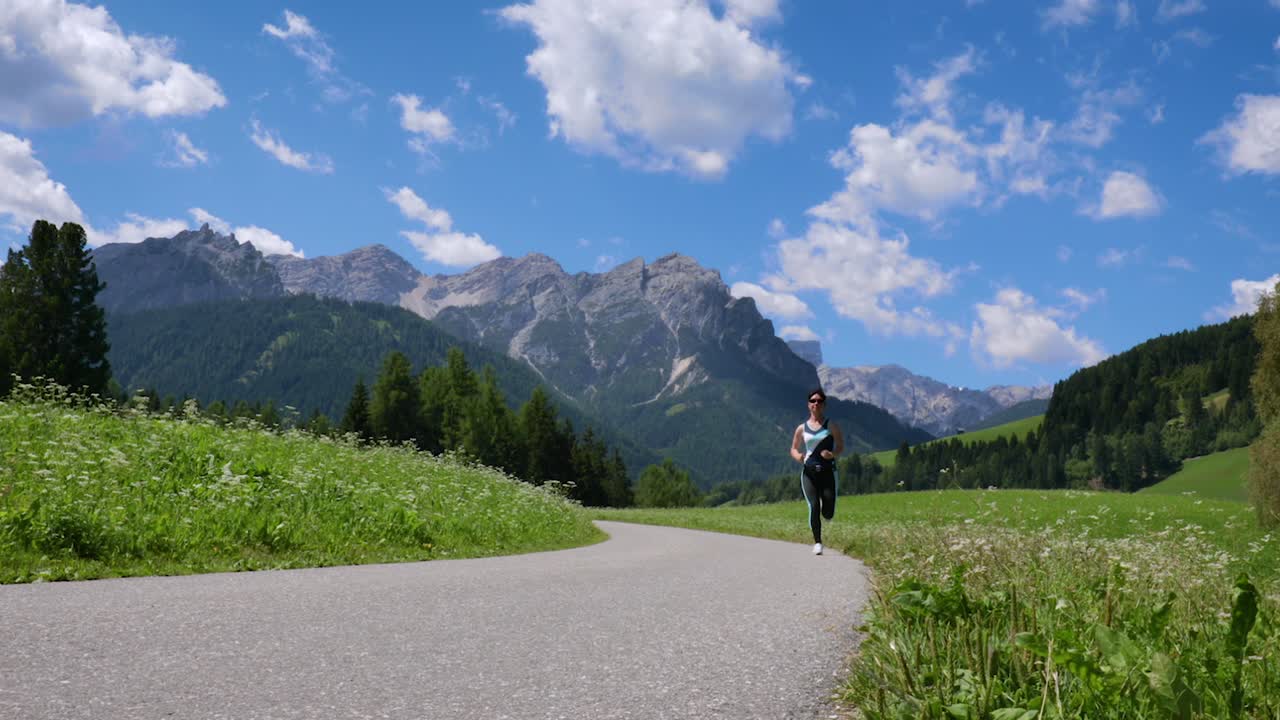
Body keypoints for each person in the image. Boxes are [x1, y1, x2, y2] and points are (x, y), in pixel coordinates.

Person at [790, 388, 843, 555]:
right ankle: (818, 542)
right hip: (809, 473)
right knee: (813, 506)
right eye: (813, 401)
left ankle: (827, 512)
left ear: (824, 405)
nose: (816, 403)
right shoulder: (802, 428)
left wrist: (832, 454)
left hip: (828, 473)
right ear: (808, 405)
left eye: (819, 401)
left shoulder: (831, 426)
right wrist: (798, 456)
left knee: (827, 512)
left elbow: (840, 446)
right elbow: (793, 448)